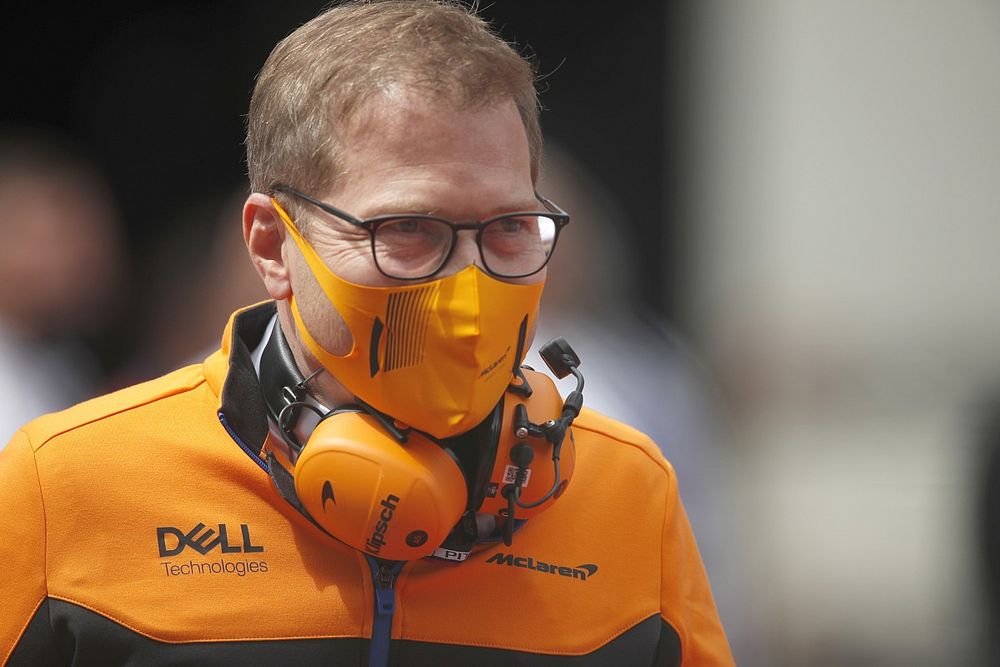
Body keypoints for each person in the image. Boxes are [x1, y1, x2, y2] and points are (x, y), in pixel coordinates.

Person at [0, 1, 733, 665]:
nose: (471, 285)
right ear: (270, 245)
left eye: (509, 228)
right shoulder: (66, 485)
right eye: (409, 230)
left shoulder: (629, 494)